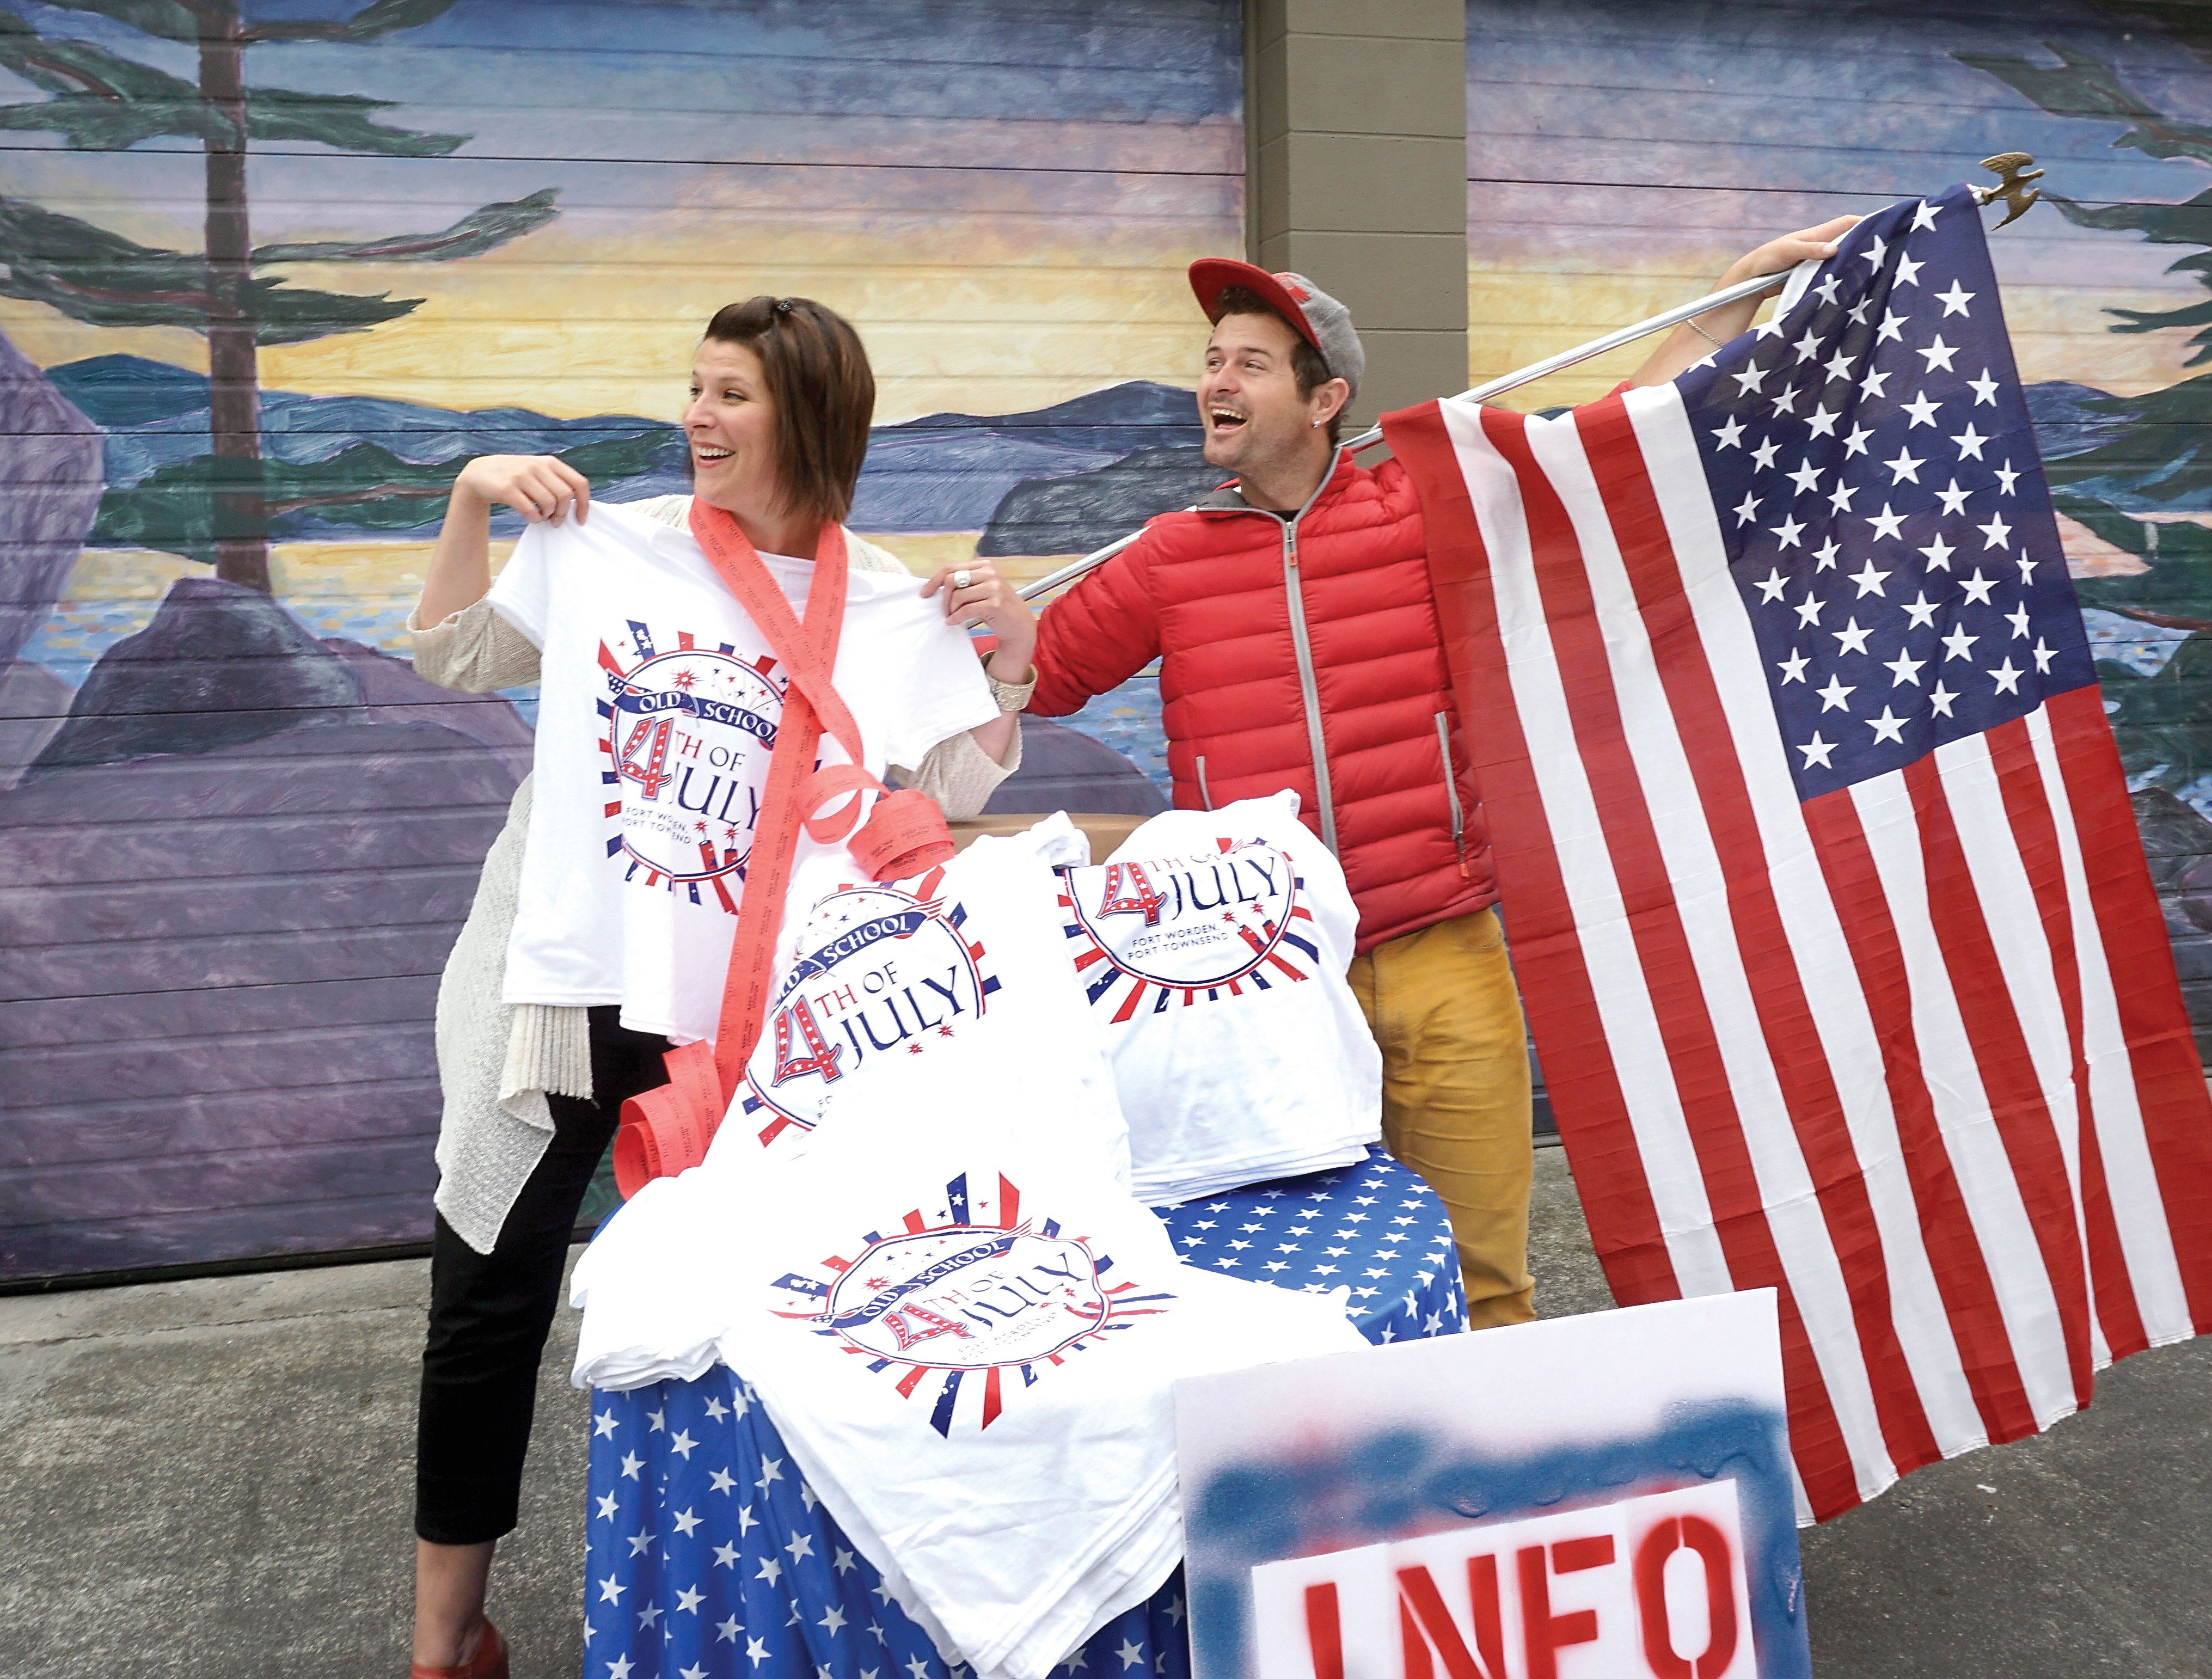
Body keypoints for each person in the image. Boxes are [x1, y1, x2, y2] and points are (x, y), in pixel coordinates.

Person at [1010, 220, 1860, 1332]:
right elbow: (1040, 679)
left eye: (1249, 363)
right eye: (1212, 360)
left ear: (1323, 400)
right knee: (1283, 1284)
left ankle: (1488, 1492)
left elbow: (1615, 434)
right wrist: (965, 627)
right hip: (1259, 977)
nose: (1214, 380)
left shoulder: (1423, 507)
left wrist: (1737, 291)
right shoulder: (1169, 555)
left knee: (1484, 1276)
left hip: (1440, 943)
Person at [401, 296, 1041, 1679]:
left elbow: (940, 795)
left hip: (748, 1027)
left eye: (731, 394)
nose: (695, 415)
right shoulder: (606, 541)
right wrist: (470, 496)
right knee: (491, 1292)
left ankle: (748, 1601)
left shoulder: (880, 597)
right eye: (693, 388)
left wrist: (1013, 657)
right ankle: (443, 1645)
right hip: (566, 983)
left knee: (758, 1297)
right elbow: (448, 659)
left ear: (809, 418)